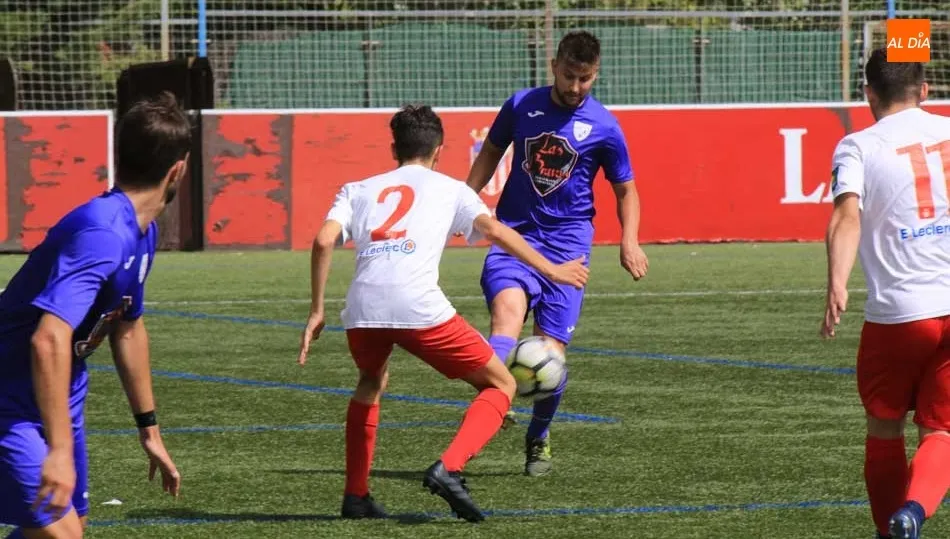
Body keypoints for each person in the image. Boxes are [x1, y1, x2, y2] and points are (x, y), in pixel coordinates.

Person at [297, 104, 589, 523]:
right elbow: (496, 231)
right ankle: (449, 468)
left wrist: (317, 310)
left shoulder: (357, 188)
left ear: (394, 149)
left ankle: (356, 496)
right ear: (439, 151)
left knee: (370, 382)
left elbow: (324, 240)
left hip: (362, 309)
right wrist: (553, 270)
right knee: (502, 383)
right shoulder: (452, 189)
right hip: (417, 306)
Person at [0, 92, 189, 539]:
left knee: (70, 526)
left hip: (59, 392)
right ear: (177, 170)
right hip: (7, 395)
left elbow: (128, 328)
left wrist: (149, 429)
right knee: (63, 533)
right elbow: (48, 338)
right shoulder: (103, 233)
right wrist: (59, 451)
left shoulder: (141, 231)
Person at [465, 29, 648, 476]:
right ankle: (495, 401)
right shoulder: (520, 104)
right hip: (515, 236)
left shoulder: (604, 126)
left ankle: (538, 434)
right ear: (554, 66)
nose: (575, 87)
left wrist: (629, 240)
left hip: (568, 249)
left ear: (596, 74)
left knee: (551, 355)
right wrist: (464, 202)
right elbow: (490, 153)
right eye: (569, 76)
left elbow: (626, 190)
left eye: (586, 79)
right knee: (506, 317)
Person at [821, 47, 950, 539]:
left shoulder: (858, 145)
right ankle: (913, 512)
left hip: (900, 313)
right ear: (925, 90)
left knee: (884, 425)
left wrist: (837, 281)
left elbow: (846, 216)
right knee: (941, 430)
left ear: (868, 94)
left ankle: (889, 528)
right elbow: (909, 42)